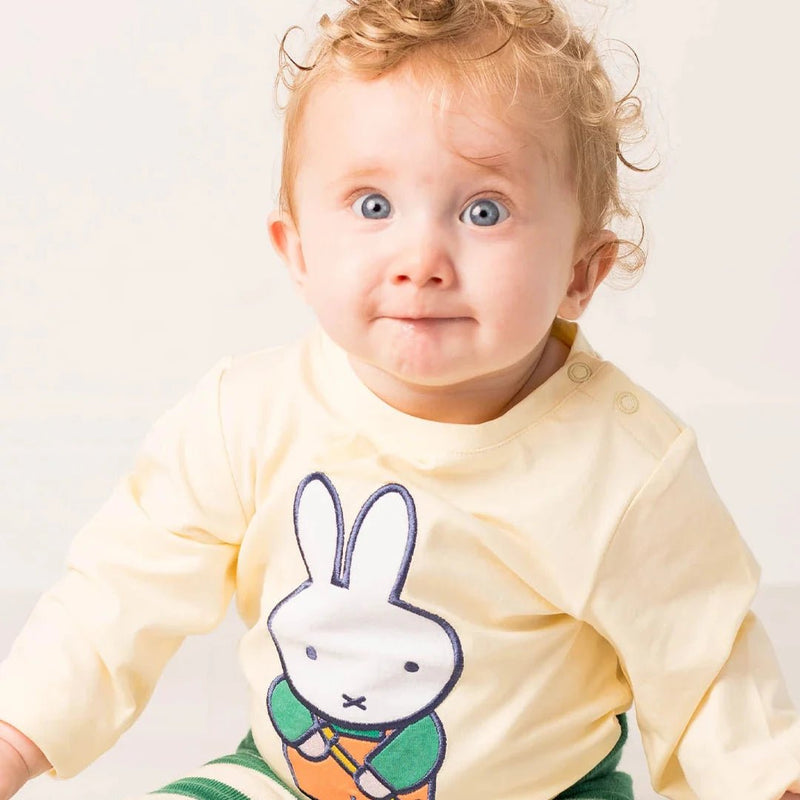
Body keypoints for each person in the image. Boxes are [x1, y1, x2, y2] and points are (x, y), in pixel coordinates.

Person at [1, 0, 799, 798]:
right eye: (373, 206)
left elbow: (707, 668)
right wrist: (16, 733)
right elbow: (120, 593)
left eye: (484, 210)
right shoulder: (249, 418)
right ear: (298, 251)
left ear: (580, 272)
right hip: (291, 778)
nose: (422, 259)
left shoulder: (622, 469)